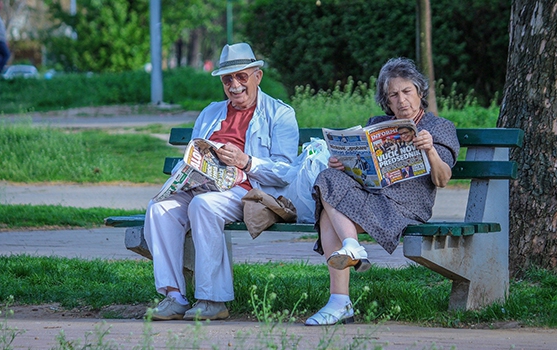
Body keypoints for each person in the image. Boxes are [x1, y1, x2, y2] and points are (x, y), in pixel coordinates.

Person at [144, 43, 299, 321]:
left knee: (204, 206)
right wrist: (186, 174)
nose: (235, 85)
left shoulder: (280, 114)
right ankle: (174, 296)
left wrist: (246, 162)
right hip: (204, 187)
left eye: (242, 76)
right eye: (228, 79)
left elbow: (286, 172)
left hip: (248, 191)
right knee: (159, 208)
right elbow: (193, 154)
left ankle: (213, 300)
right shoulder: (210, 113)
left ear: (257, 77)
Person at [305, 57, 460, 326]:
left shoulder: (438, 128)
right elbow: (362, 171)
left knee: (328, 215)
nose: (402, 100)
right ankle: (351, 249)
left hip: (406, 208)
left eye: (407, 91)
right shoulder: (378, 124)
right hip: (373, 197)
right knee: (327, 177)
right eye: (393, 95)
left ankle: (339, 300)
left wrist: (430, 150)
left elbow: (443, 179)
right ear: (387, 102)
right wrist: (344, 164)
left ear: (419, 92)